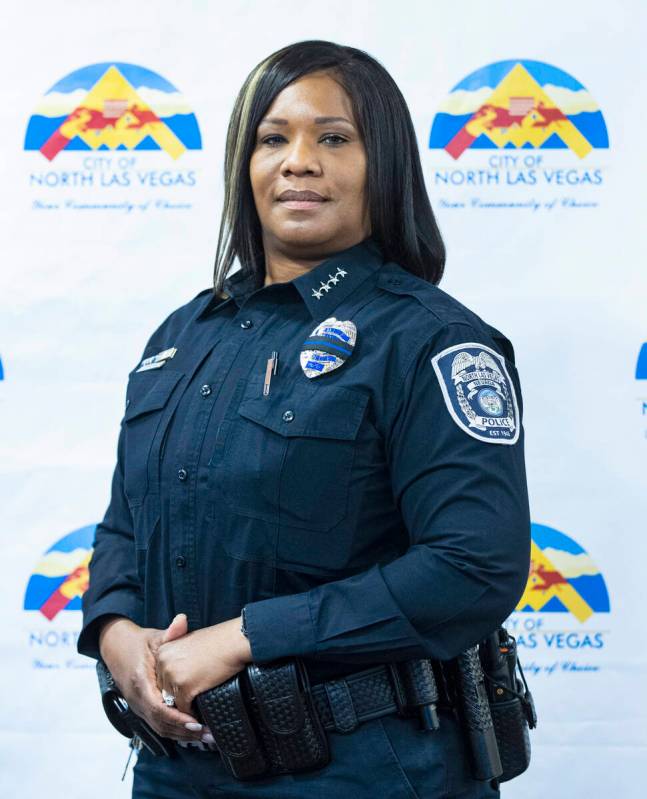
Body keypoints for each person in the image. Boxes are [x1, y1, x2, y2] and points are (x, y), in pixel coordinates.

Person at [78, 39, 531, 799]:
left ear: (380, 165)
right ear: (243, 164)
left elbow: (471, 566)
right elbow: (126, 525)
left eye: (332, 137)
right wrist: (115, 631)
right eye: (272, 138)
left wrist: (243, 638)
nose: (298, 161)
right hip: (173, 767)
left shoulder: (429, 339)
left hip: (360, 767)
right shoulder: (183, 336)